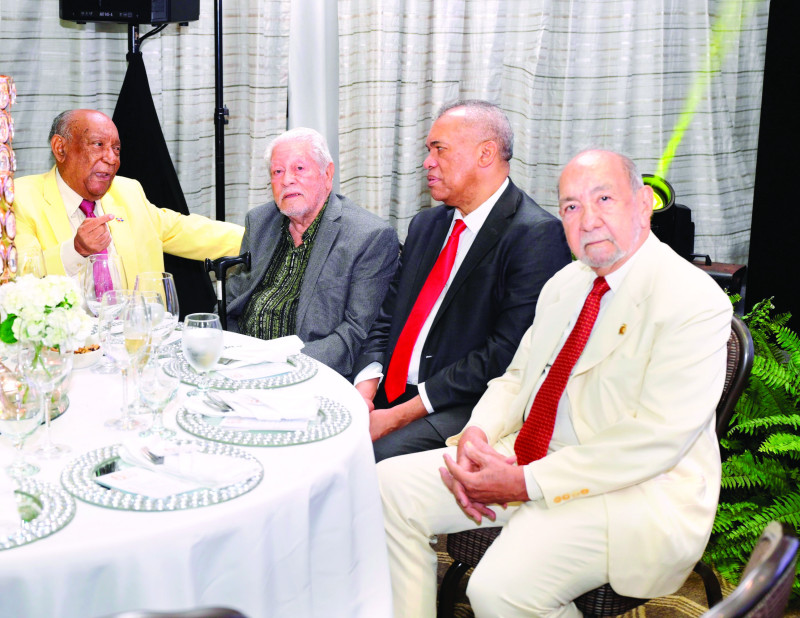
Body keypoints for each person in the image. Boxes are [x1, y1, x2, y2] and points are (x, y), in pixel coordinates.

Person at [378, 149, 733, 617]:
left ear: (644, 203)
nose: (588, 220)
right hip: (528, 454)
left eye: (603, 198)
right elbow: (517, 377)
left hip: (630, 490)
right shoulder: (566, 283)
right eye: (571, 206)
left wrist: (525, 482)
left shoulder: (693, 300)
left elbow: (654, 440)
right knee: (388, 487)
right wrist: (478, 435)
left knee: (496, 590)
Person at [353, 99, 571, 461]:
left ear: (486, 154)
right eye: (428, 150)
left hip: (458, 405)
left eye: (439, 149)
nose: (427, 162)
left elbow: (505, 353)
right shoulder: (427, 225)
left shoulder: (536, 235)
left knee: (367, 460)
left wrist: (399, 416)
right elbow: (387, 316)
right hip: (387, 392)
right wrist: (365, 390)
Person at [225, 127, 399, 378]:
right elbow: (233, 300)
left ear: (327, 174)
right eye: (277, 171)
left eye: (299, 168)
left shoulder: (369, 236)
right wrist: (232, 352)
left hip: (307, 372)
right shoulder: (260, 221)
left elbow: (355, 332)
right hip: (241, 362)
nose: (287, 180)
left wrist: (278, 364)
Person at [14, 109, 244, 281]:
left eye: (116, 149)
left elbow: (184, 230)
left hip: (136, 329)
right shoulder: (20, 198)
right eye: (98, 144)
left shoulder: (127, 191)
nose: (111, 159)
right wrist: (76, 250)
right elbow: (20, 276)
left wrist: (259, 236)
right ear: (60, 148)